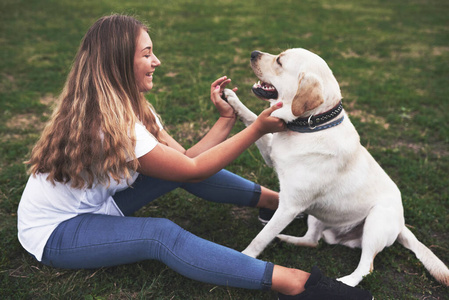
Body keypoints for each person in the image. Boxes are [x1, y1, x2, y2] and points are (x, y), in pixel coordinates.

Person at [17, 14, 373, 299]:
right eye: (146, 54)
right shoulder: (114, 125)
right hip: (57, 233)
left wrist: (226, 119)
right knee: (159, 235)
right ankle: (295, 283)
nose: (156, 60)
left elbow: (185, 161)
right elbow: (191, 169)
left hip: (96, 207)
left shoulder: (132, 109)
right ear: (118, 64)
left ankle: (274, 203)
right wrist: (256, 129)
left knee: (179, 172)